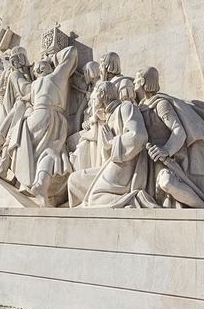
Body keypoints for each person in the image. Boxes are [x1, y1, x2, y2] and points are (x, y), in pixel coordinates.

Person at [134, 66, 204, 208]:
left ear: (143, 81)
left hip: (164, 158)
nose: (134, 81)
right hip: (145, 160)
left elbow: (178, 130)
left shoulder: (161, 105)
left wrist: (166, 150)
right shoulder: (140, 107)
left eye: (137, 78)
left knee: (167, 182)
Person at [11, 45, 78, 206]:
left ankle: (40, 183)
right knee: (52, 151)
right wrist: (51, 58)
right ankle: (41, 184)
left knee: (50, 151)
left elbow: (22, 88)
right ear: (47, 68)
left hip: (34, 118)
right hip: (51, 116)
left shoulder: (34, 85)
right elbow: (71, 52)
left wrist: (14, 74)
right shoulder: (56, 77)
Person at [68, 80, 149, 208]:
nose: (92, 101)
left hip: (127, 167)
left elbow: (139, 136)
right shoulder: (107, 117)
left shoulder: (126, 108)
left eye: (94, 97)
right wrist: (107, 147)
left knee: (94, 197)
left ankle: (135, 200)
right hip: (112, 165)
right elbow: (108, 154)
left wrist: (112, 142)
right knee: (73, 180)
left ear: (103, 96)